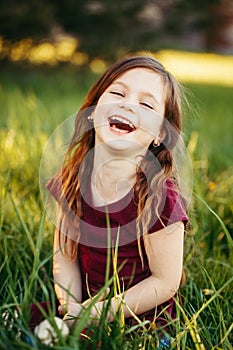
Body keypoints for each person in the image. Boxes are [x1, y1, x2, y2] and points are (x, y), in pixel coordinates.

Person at [45, 55, 189, 348]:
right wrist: (71, 308)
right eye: (118, 92)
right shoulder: (72, 179)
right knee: (19, 324)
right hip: (82, 303)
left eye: (147, 105)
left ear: (160, 134)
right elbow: (65, 257)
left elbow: (165, 282)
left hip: (140, 317)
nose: (128, 104)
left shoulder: (159, 200)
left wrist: (94, 314)